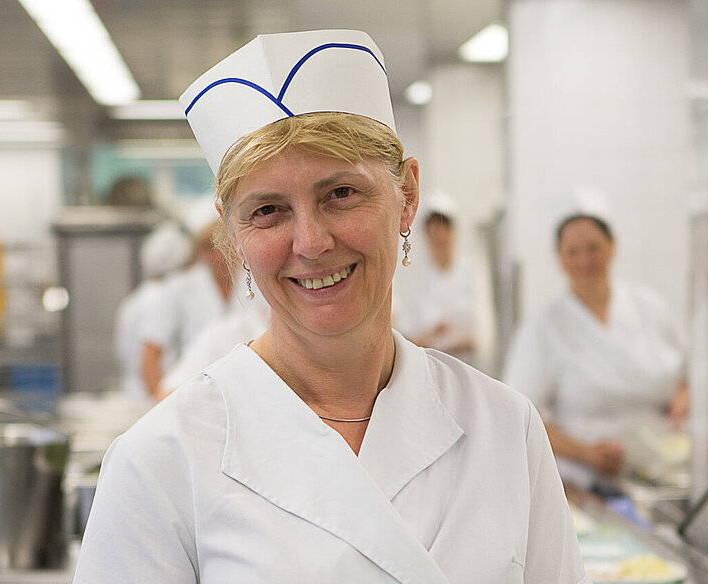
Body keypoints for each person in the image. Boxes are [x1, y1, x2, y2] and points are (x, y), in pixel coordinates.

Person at [75, 30, 587, 583]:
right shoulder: (161, 460)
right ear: (233, 234)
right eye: (268, 210)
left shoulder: (505, 429)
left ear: (407, 196)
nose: (311, 242)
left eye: (340, 193)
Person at [503, 191, 688, 487]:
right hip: (586, 484)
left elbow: (687, 380)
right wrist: (587, 454)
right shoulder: (544, 327)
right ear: (560, 259)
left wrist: (682, 401)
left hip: (664, 476)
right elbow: (517, 415)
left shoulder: (649, 309)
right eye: (572, 252)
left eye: (593, 248)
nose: (584, 260)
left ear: (612, 247)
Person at [138, 218, 234, 395]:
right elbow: (151, 352)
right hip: (192, 389)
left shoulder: (259, 283)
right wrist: (161, 403)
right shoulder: (179, 287)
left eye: (225, 245)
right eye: (209, 248)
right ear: (199, 252)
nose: (219, 254)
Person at [394, 193, 479, 365]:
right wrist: (433, 334)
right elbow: (408, 340)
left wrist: (446, 341)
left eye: (443, 227)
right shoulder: (418, 283)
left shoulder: (472, 273)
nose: (439, 235)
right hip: (431, 372)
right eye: (433, 229)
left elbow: (482, 335)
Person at [113, 222, 190, 404]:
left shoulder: (137, 297)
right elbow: (149, 359)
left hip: (135, 395)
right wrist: (161, 407)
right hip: (149, 400)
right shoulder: (162, 297)